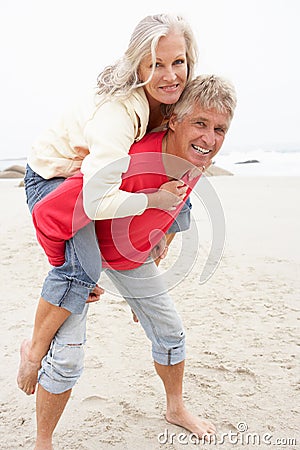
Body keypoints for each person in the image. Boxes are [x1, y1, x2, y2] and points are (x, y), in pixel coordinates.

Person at [24, 75, 237, 449]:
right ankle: (43, 438)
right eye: (200, 124)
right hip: (83, 255)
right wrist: (69, 267)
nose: (210, 139)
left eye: (219, 129)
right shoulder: (131, 160)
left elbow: (180, 206)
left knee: (171, 333)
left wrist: (160, 241)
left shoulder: (192, 160)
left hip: (129, 261)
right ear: (173, 120)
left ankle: (175, 408)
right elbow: (50, 214)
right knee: (67, 359)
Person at [17, 13, 198, 397]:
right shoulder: (117, 115)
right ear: (139, 65)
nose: (170, 75)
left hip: (95, 175)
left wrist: (158, 232)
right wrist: (153, 200)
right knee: (82, 271)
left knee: (181, 203)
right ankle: (33, 352)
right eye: (156, 65)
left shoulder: (175, 102)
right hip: (55, 178)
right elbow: (97, 201)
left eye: (177, 61)